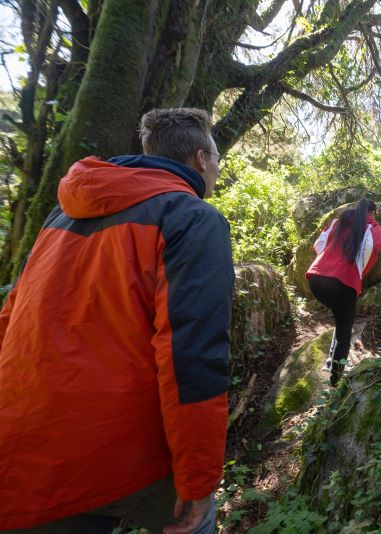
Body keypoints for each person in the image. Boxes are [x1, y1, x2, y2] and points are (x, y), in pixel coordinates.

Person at [0, 108, 234, 534]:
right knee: (197, 520)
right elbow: (192, 358)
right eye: (217, 158)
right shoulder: (192, 218)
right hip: (113, 448)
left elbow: (10, 316)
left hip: (24, 443)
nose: (218, 169)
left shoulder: (61, 214)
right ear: (201, 159)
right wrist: (198, 478)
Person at [306, 198, 381, 386]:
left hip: (317, 280)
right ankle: (335, 380)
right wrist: (359, 269)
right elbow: (375, 246)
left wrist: (328, 262)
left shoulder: (338, 221)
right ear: (372, 212)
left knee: (340, 317)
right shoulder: (372, 226)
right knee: (344, 333)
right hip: (344, 283)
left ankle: (330, 362)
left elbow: (319, 243)